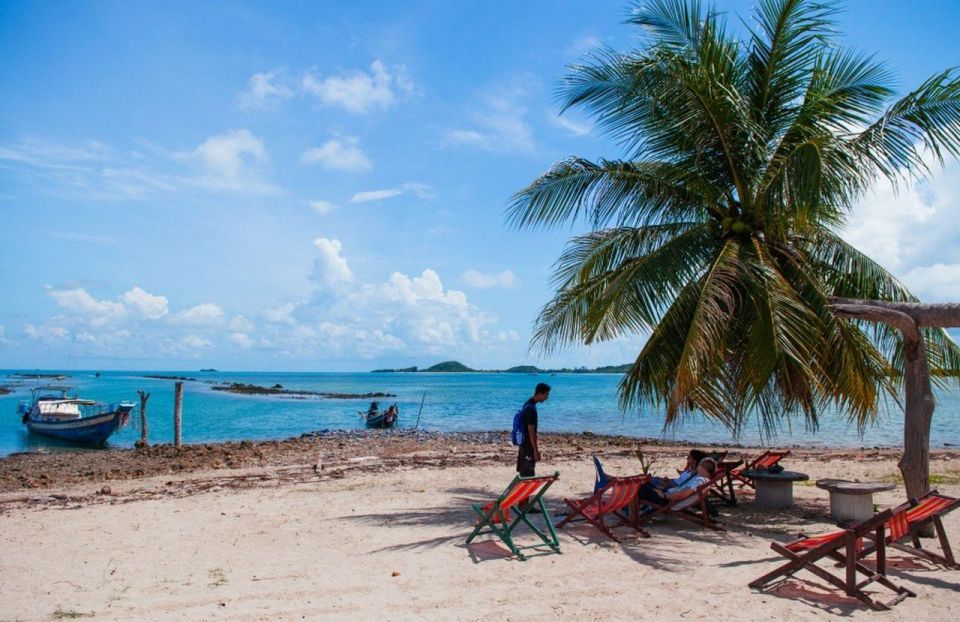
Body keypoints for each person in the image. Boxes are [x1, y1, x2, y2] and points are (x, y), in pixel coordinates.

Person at [637, 458, 717, 508]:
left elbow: (683, 494)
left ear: (702, 468)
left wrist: (664, 495)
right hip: (670, 496)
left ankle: (629, 511)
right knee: (643, 483)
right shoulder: (703, 480)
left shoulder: (700, 480)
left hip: (668, 501)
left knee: (639, 487)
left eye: (699, 465)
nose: (697, 467)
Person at [516, 383, 550, 477]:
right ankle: (525, 492)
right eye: (546, 394)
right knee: (528, 475)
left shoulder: (527, 404)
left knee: (524, 474)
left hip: (523, 444)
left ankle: (523, 492)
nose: (547, 397)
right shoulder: (531, 409)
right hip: (528, 446)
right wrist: (535, 450)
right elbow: (531, 431)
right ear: (540, 393)